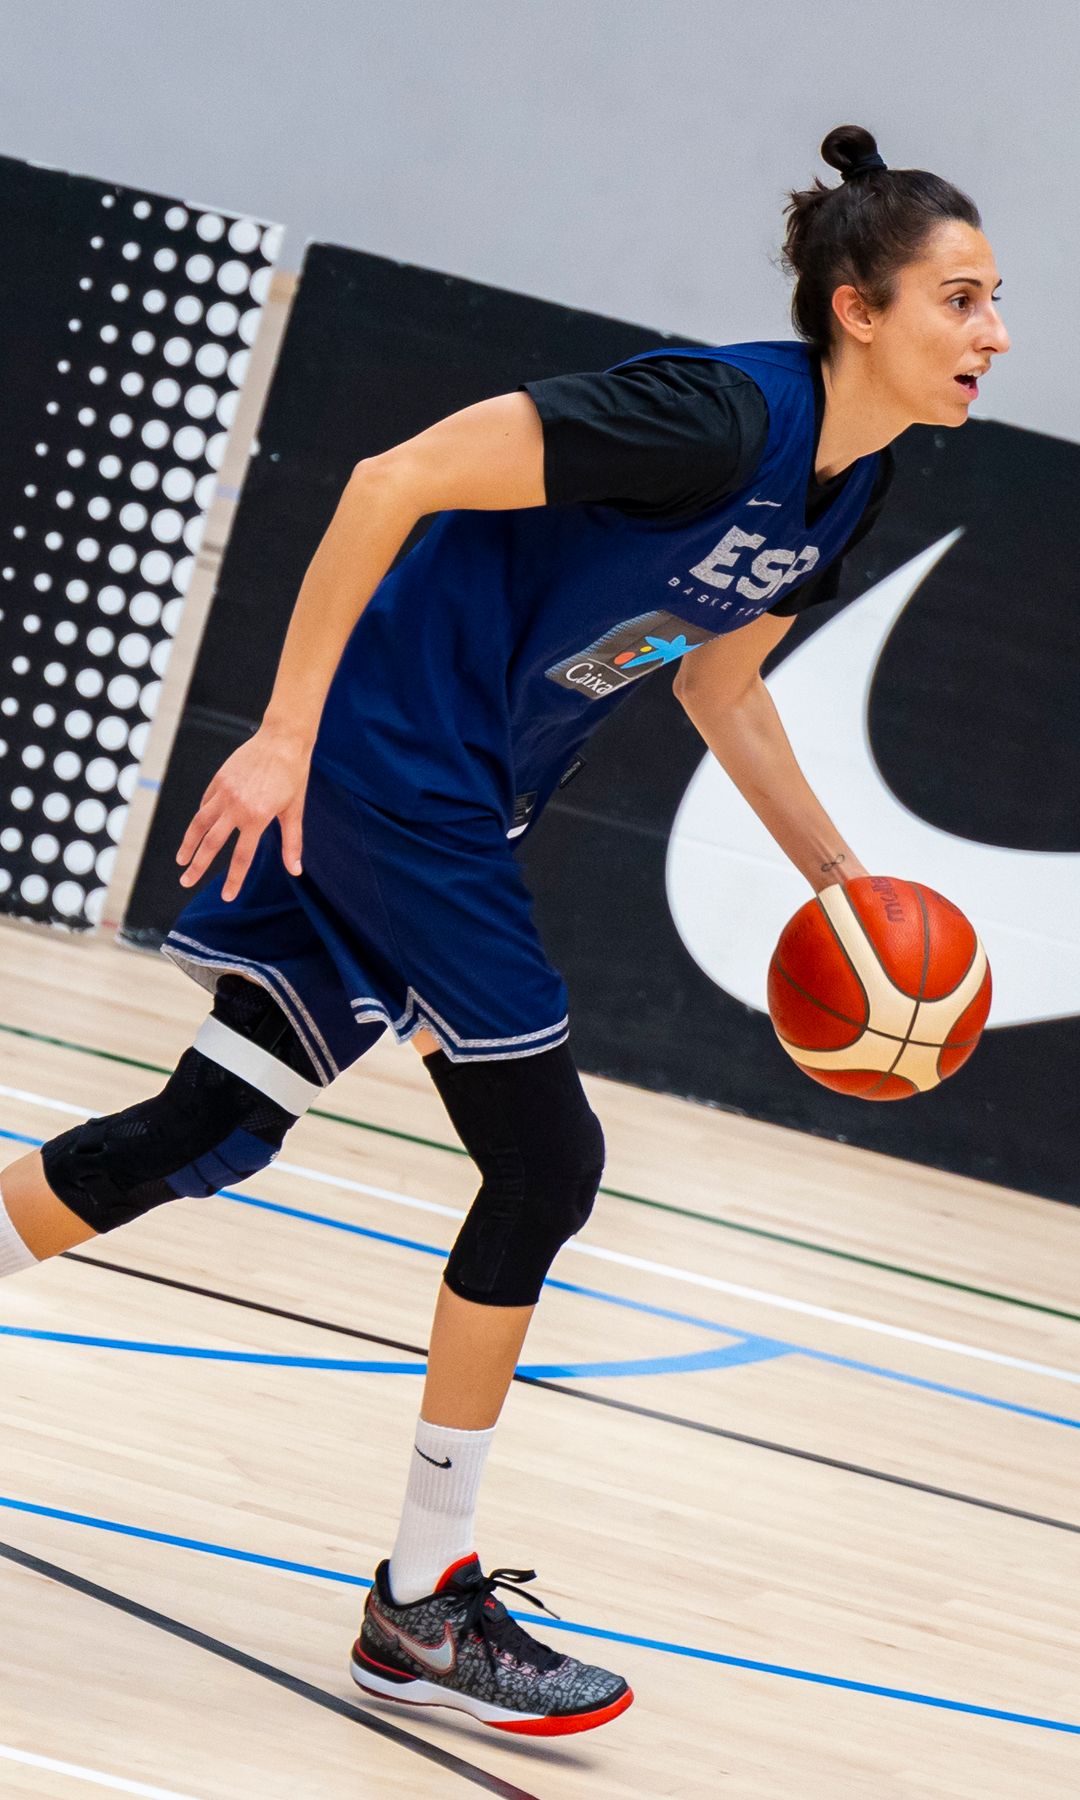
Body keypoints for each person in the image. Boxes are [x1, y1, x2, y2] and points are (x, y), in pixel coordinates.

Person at [0, 125, 1008, 1735]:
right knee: (548, 1166)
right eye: (961, 297)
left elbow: (718, 686)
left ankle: (418, 1603)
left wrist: (847, 892)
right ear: (856, 307)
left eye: (995, 300)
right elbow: (389, 480)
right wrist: (282, 732)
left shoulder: (853, 481)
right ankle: (421, 1601)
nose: (994, 332)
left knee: (210, 1129)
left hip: (462, 791)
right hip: (399, 776)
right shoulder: (707, 411)